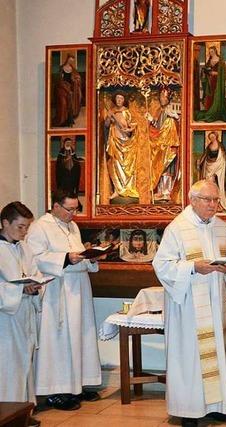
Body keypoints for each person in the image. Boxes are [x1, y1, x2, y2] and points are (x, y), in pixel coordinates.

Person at [153, 180, 226, 427]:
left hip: (216, 306)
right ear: (192, 200)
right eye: (208, 200)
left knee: (218, 353)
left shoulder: (223, 228)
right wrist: (194, 266)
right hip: (188, 308)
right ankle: (189, 411)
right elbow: (162, 266)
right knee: (190, 358)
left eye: (216, 200)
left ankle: (217, 406)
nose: (214, 205)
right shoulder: (177, 229)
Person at [26, 190, 101, 410]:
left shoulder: (72, 226)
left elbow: (77, 254)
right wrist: (65, 259)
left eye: (76, 209)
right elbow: (34, 258)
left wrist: (89, 257)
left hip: (78, 288)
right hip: (57, 291)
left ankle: (77, 384)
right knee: (58, 341)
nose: (73, 214)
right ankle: (56, 390)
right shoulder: (40, 227)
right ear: (55, 206)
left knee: (80, 336)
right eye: (70, 209)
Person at [0, 202, 42, 427]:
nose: (24, 232)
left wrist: (35, 284)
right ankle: (7, 414)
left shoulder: (24, 247)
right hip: (5, 319)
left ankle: (23, 410)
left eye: (27, 228)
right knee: (8, 366)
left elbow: (35, 272)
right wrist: (18, 289)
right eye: (20, 227)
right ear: (5, 223)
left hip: (24, 312)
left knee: (25, 361)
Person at [146, 87, 180, 202]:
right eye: (160, 96)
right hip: (161, 145)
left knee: (167, 168)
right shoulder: (160, 111)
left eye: (163, 97)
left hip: (168, 146)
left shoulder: (169, 112)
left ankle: (166, 191)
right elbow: (159, 128)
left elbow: (169, 130)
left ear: (168, 98)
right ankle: (161, 191)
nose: (161, 99)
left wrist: (175, 117)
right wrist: (151, 120)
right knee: (160, 168)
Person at [104, 92, 139, 199]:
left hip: (127, 142)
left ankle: (128, 187)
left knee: (127, 166)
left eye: (121, 98)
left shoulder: (126, 112)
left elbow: (132, 125)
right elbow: (106, 125)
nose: (119, 100)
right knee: (115, 165)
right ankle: (117, 189)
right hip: (115, 141)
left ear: (124, 100)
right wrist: (109, 118)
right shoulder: (112, 111)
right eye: (117, 98)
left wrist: (128, 129)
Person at [197, 131, 226, 212]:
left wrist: (220, 163)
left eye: (213, 137)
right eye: (210, 137)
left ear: (216, 137)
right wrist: (200, 162)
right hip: (208, 166)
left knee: (215, 184)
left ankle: (219, 204)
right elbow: (205, 155)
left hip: (218, 165)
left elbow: (222, 156)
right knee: (209, 184)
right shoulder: (209, 146)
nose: (212, 138)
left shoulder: (220, 146)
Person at [195, 45, 226, 123]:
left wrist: (216, 73)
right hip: (209, 81)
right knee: (209, 96)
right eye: (210, 52)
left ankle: (216, 111)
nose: (211, 53)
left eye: (212, 51)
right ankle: (210, 109)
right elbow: (206, 69)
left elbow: (223, 72)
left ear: (215, 51)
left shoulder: (221, 61)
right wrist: (206, 71)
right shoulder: (209, 60)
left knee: (216, 95)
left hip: (217, 82)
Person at [52, 54, 82, 127]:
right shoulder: (62, 68)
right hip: (62, 88)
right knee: (63, 103)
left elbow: (78, 78)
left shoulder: (73, 69)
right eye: (70, 59)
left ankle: (69, 121)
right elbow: (59, 80)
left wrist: (75, 80)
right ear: (67, 59)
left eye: (72, 60)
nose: (71, 61)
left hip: (71, 89)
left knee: (70, 104)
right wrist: (64, 86)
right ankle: (62, 120)